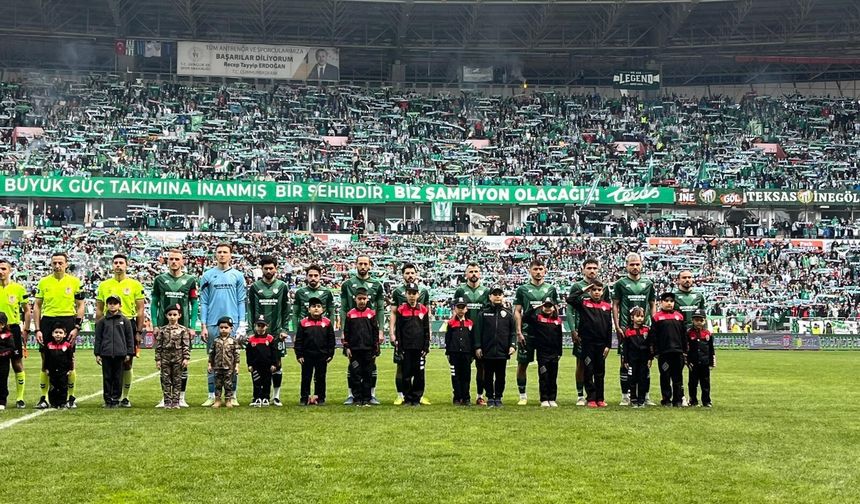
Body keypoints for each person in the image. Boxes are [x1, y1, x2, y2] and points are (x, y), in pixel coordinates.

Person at [33, 252, 85, 409]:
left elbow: (81, 305)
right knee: (45, 359)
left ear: (66, 264)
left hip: (68, 319)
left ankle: (70, 397)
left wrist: (76, 327)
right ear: (51, 264)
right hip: (48, 320)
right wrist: (38, 329)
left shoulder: (75, 282)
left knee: (70, 358)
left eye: (60, 263)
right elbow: (37, 305)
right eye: (54, 262)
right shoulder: (43, 282)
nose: (57, 265)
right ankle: (43, 397)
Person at [199, 243, 247, 407]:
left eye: (225, 252)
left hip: (232, 323)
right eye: (219, 252)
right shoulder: (207, 276)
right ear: (215, 255)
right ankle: (212, 395)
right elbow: (204, 302)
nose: (222, 255)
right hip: (213, 323)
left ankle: (232, 395)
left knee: (232, 360)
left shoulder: (238, 276)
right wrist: (203, 325)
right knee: (213, 359)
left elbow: (241, 301)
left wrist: (241, 324)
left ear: (230, 255)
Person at [95, 254, 146, 408]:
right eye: (115, 263)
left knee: (127, 362)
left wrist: (138, 331)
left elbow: (140, 309)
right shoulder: (104, 285)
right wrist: (99, 327)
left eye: (121, 263)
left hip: (127, 323)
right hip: (108, 322)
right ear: (112, 265)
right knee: (109, 366)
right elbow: (98, 308)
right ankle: (110, 397)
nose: (118, 265)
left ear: (126, 265)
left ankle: (125, 397)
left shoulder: (135, 284)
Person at [150, 248, 199, 408]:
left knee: (183, 363)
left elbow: (194, 303)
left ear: (182, 261)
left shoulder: (190, 280)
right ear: (167, 261)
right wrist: (155, 324)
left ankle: (181, 398)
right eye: (171, 259)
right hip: (164, 329)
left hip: (183, 329)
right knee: (164, 365)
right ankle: (165, 398)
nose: (174, 262)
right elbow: (154, 302)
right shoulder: (159, 279)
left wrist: (191, 326)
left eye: (177, 259)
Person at [612, 252, 656, 406]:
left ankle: (646, 396)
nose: (635, 267)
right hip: (626, 329)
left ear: (641, 265)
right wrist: (617, 325)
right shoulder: (620, 284)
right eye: (632, 264)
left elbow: (652, 303)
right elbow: (615, 304)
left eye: (637, 264)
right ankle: (625, 395)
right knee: (625, 361)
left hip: (644, 330)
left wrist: (653, 323)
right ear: (626, 265)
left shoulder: (648, 283)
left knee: (645, 362)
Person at [514, 259, 559, 405]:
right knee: (523, 363)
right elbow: (518, 311)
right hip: (527, 333)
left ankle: (547, 396)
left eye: (541, 269)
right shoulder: (522, 289)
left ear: (545, 270)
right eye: (535, 269)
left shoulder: (551, 289)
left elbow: (555, 311)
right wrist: (519, 331)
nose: (538, 272)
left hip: (545, 334)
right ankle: (522, 395)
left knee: (547, 366)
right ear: (530, 271)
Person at [247, 256, 291, 407]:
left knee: (277, 364)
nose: (268, 271)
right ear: (262, 269)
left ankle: (276, 396)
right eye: (265, 268)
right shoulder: (254, 287)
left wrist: (285, 329)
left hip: (276, 333)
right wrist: (249, 330)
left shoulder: (282, 286)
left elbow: (286, 310)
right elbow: (251, 310)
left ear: (276, 268)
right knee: (258, 365)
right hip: (259, 334)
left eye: (271, 268)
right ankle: (258, 396)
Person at [341, 255, 384, 405]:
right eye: (360, 263)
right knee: (352, 366)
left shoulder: (377, 284)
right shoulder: (347, 284)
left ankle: (371, 395)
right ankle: (351, 395)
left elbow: (379, 309)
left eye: (366, 264)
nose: (363, 266)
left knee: (370, 366)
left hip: (369, 336)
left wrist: (380, 331)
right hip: (353, 336)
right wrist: (342, 331)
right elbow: (344, 308)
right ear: (356, 265)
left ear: (370, 265)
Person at [565, 258, 608, 406]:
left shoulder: (603, 287)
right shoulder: (577, 286)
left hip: (598, 336)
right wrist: (572, 329)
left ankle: (598, 397)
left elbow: (606, 309)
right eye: (589, 268)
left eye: (595, 268)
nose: (592, 271)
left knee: (597, 367)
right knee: (581, 363)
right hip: (582, 333)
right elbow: (570, 307)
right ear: (583, 269)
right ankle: (580, 395)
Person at [389, 263, 431, 406]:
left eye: (412, 273)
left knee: (419, 372)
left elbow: (426, 325)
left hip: (419, 344)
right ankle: (403, 396)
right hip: (405, 344)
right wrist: (392, 334)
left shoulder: (424, 296)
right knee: (404, 370)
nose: (410, 275)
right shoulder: (398, 299)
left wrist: (427, 343)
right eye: (407, 273)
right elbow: (395, 317)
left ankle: (417, 397)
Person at [453, 263, 490, 405]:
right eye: (471, 271)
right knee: (463, 367)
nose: (473, 274)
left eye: (476, 271)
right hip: (465, 335)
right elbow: (455, 311)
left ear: (480, 273)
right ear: (466, 274)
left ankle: (480, 395)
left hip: (481, 334)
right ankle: (462, 395)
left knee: (482, 367)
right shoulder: (460, 290)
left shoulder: (486, 291)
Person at [475, 285, 516, 407]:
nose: (497, 296)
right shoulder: (483, 314)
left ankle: (498, 397)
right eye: (495, 294)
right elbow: (478, 332)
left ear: (503, 296)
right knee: (487, 376)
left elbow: (513, 332)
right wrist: (478, 347)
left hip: (502, 351)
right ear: (490, 297)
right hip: (487, 351)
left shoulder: (508, 314)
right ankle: (490, 397)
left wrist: (513, 345)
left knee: (501, 376)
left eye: (500, 294)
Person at [94, 295, 135, 408]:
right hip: (106, 353)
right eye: (110, 303)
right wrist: (97, 354)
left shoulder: (125, 320)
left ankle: (116, 399)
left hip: (120, 354)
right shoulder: (102, 321)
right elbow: (98, 338)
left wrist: (129, 353)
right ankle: (107, 400)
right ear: (107, 305)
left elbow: (129, 338)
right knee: (107, 377)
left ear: (120, 305)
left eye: (115, 303)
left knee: (118, 377)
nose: (112, 305)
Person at [0, 259, 31, 408]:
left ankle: (20, 398)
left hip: (12, 330)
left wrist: (26, 329)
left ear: (10, 270)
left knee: (17, 363)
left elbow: (27, 310)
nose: (1, 271)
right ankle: (2, 399)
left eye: (3, 268)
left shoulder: (18, 289)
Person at [342, 287, 380, 407]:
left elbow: (375, 332)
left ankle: (367, 398)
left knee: (368, 374)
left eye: (364, 298)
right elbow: (346, 332)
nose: (362, 301)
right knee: (355, 374)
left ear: (367, 299)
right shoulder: (350, 314)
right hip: (355, 351)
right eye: (360, 299)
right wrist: (347, 347)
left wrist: (376, 347)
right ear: (355, 299)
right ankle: (357, 398)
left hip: (368, 350)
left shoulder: (371, 314)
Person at [294, 298, 335, 406]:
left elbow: (331, 340)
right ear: (309, 309)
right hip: (307, 356)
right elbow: (298, 341)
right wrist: (299, 355)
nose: (316, 308)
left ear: (322, 309)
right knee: (306, 378)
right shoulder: (303, 323)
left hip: (322, 356)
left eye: (318, 306)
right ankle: (304, 398)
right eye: (313, 306)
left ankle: (320, 397)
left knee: (321, 377)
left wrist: (330, 354)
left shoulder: (327, 322)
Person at [524, 298, 563, 407]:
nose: (547, 308)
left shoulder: (557, 321)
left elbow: (560, 337)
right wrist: (535, 308)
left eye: (550, 306)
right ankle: (544, 399)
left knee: (553, 377)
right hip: (542, 353)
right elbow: (525, 317)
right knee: (544, 376)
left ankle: (552, 398)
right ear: (542, 307)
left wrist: (560, 352)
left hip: (554, 353)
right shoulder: (537, 318)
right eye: (545, 306)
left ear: (553, 308)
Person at [651, 292, 688, 407]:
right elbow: (654, 336)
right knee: (665, 376)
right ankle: (666, 399)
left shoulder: (679, 316)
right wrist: (656, 352)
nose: (669, 303)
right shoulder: (657, 317)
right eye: (666, 301)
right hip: (664, 353)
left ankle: (678, 400)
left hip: (677, 353)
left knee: (677, 376)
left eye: (671, 301)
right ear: (661, 302)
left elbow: (683, 335)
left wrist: (685, 351)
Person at [153, 305, 191, 410]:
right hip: (165, 358)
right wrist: (158, 360)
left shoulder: (183, 330)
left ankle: (176, 401)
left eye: (175, 315)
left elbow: (186, 345)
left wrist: (186, 358)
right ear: (166, 316)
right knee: (166, 380)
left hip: (178, 359)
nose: (172, 317)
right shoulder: (162, 330)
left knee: (177, 380)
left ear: (179, 315)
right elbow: (159, 346)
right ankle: (167, 401)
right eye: (170, 315)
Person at [445, 298, 474, 406]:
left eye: (463, 307)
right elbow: (448, 339)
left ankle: (466, 398)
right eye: (459, 307)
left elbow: (472, 339)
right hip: (454, 353)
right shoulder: (451, 323)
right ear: (455, 309)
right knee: (455, 376)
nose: (461, 310)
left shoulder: (470, 323)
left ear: (466, 309)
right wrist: (448, 353)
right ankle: (457, 397)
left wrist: (472, 354)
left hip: (466, 353)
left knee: (466, 376)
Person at [246, 315, 279, 407]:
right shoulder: (251, 339)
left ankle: (265, 398)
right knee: (256, 382)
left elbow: (274, 353)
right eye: (258, 326)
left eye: (263, 326)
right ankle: (256, 398)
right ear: (255, 326)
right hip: (255, 366)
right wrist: (249, 365)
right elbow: (248, 354)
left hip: (267, 366)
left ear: (267, 326)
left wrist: (274, 364)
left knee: (267, 382)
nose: (260, 328)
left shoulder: (270, 338)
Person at [622, 307, 652, 408]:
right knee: (632, 380)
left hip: (644, 360)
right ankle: (633, 399)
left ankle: (642, 400)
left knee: (643, 380)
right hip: (632, 360)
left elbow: (649, 346)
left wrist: (650, 358)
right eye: (637, 316)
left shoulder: (647, 330)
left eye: (642, 316)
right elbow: (625, 347)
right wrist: (625, 360)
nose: (640, 318)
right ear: (632, 317)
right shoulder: (628, 331)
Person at [208, 317, 240, 409]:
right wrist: (210, 364)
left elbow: (236, 354)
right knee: (217, 384)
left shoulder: (233, 341)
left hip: (229, 367)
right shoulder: (215, 341)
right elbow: (211, 353)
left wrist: (237, 366)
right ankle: (217, 400)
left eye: (226, 327)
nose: (223, 329)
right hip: (218, 367)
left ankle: (228, 400)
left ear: (231, 328)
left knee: (228, 384)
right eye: (221, 327)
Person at [687, 309, 715, 407]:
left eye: (701, 320)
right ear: (692, 321)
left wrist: (711, 362)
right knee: (692, 383)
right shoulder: (689, 333)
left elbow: (711, 349)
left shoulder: (707, 334)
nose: (698, 322)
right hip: (693, 363)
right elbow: (686, 349)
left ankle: (706, 401)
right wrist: (687, 361)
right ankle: (693, 400)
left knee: (705, 383)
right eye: (696, 320)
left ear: (704, 321)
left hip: (705, 363)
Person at [44, 325, 74, 409]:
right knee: (53, 387)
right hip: (52, 370)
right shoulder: (49, 345)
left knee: (63, 387)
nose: (58, 334)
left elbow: (70, 358)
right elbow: (46, 358)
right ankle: (53, 403)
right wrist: (46, 368)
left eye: (60, 333)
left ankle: (62, 403)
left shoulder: (67, 345)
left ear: (65, 335)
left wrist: (70, 369)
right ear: (52, 334)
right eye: (56, 332)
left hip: (63, 371)